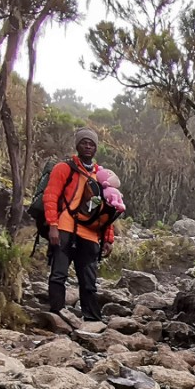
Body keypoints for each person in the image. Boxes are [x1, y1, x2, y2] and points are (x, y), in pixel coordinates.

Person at [42, 128, 120, 322]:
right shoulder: (64, 168)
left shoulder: (102, 176)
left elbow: (107, 210)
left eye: (92, 144)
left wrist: (108, 238)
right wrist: (52, 225)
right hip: (64, 228)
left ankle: (92, 320)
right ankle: (57, 316)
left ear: (96, 148)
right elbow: (50, 196)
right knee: (59, 273)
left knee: (89, 280)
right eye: (84, 142)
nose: (88, 146)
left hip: (91, 233)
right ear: (77, 145)